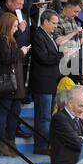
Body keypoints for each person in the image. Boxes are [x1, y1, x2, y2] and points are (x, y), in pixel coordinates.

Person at [0, 12, 30, 156]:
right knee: (4, 112)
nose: (15, 28)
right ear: (7, 25)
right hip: (7, 83)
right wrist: (21, 52)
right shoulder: (0, 39)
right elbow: (7, 58)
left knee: (15, 113)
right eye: (14, 26)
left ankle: (10, 142)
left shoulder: (10, 39)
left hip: (16, 83)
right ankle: (2, 144)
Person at [29, 9, 63, 155]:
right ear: (45, 21)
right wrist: (62, 54)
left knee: (47, 115)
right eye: (54, 23)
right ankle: (41, 145)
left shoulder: (48, 36)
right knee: (44, 117)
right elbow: (44, 58)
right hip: (43, 84)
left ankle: (45, 144)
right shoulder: (38, 36)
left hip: (50, 83)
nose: (56, 26)